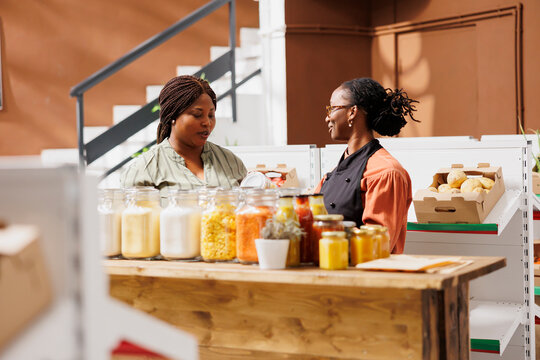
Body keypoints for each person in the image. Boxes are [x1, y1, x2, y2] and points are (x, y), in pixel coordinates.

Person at [315, 77, 419, 254]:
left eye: (332, 108)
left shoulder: (386, 172)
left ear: (352, 112)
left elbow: (376, 245)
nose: (327, 118)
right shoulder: (330, 176)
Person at [121, 75, 247, 192]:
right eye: (197, 115)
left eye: (211, 115)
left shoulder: (231, 162)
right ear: (172, 116)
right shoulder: (143, 170)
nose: (207, 122)